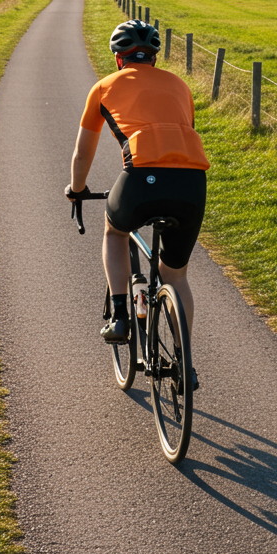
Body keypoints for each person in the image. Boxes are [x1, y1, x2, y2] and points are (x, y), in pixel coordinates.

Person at [65, 19, 209, 346]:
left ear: (119, 58)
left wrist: (77, 190)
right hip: (193, 183)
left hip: (142, 178)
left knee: (114, 232)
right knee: (175, 275)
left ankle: (119, 317)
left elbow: (81, 154)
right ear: (155, 58)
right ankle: (184, 363)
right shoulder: (180, 86)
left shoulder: (103, 87)